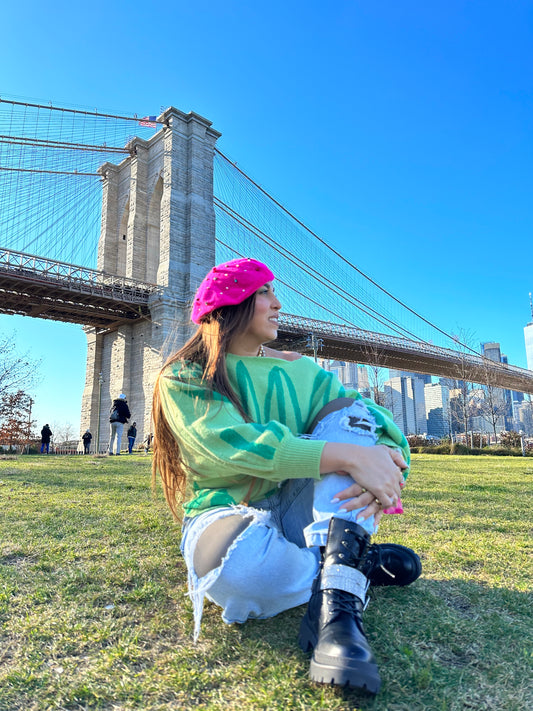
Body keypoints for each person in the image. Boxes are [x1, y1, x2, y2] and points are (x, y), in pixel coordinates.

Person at [151, 258, 421, 694]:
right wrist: (349, 457)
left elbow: (365, 414)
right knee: (239, 577)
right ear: (231, 304)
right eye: (265, 294)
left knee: (349, 415)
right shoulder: (182, 377)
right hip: (225, 510)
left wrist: (388, 455)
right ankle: (350, 562)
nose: (278, 305)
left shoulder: (301, 369)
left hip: (302, 508)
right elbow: (230, 448)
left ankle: (338, 609)